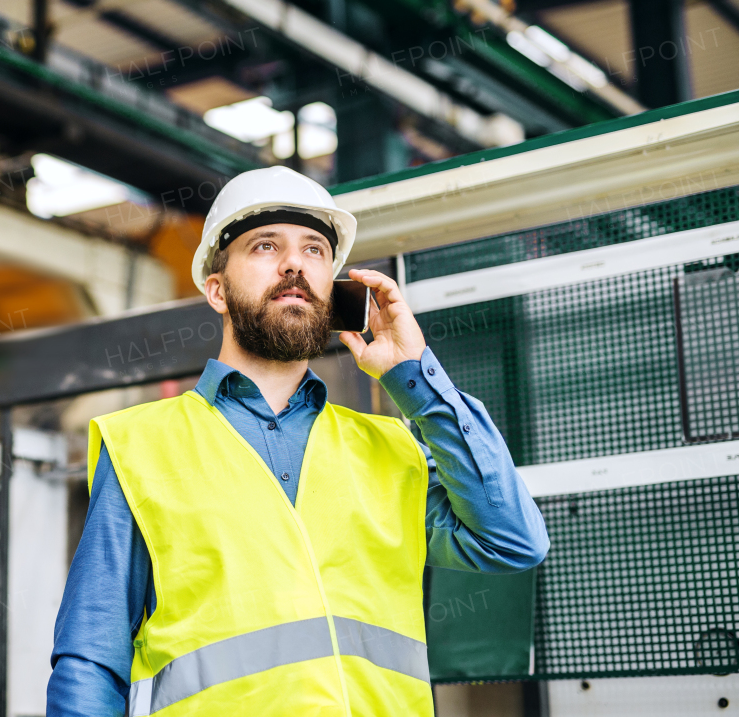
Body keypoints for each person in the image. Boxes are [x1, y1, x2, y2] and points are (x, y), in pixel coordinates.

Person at [46, 166, 549, 717]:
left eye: (315, 250)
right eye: (265, 246)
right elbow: (91, 659)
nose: (294, 263)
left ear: (333, 289)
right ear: (217, 290)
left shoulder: (390, 447)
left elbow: (512, 542)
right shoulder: (142, 445)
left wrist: (417, 380)